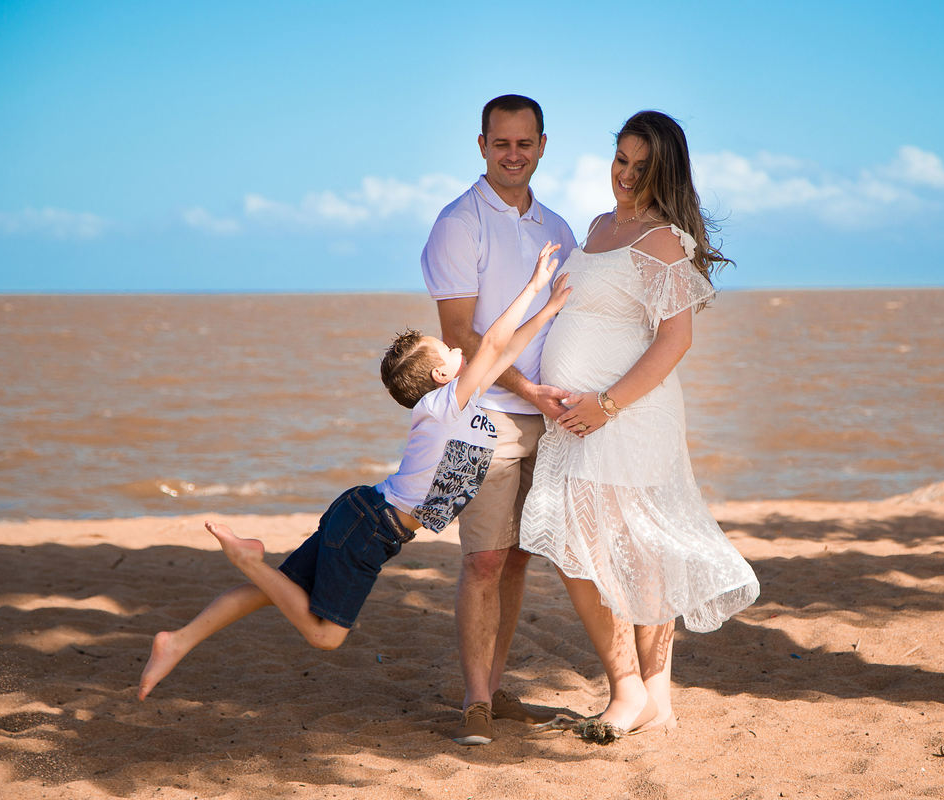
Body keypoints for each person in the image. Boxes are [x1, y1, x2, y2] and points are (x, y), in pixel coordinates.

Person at [137, 242, 570, 712]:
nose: (454, 345)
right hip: (370, 530)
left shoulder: (453, 403)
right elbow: (491, 344)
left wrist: (550, 307)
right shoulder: (444, 406)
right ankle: (246, 560)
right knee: (325, 636)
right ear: (444, 373)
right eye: (445, 347)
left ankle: (176, 641)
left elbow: (505, 351)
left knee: (280, 590)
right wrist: (532, 286)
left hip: (361, 513)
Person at [519, 110, 761, 742]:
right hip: (578, 421)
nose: (624, 175)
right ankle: (651, 695)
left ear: (665, 173)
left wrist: (608, 403)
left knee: (628, 556)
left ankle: (634, 692)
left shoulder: (661, 241)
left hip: (625, 417)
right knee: (588, 551)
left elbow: (675, 340)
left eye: (640, 166)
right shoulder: (598, 227)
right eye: (620, 159)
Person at [421, 94, 577, 745]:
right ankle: (475, 701)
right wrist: (530, 388)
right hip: (480, 417)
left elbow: (576, 324)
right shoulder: (458, 223)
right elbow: (460, 338)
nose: (513, 154)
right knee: (481, 560)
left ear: (542, 146)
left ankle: (498, 682)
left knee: (517, 559)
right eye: (501, 143)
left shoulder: (560, 231)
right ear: (481, 145)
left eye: (525, 143)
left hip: (549, 417)